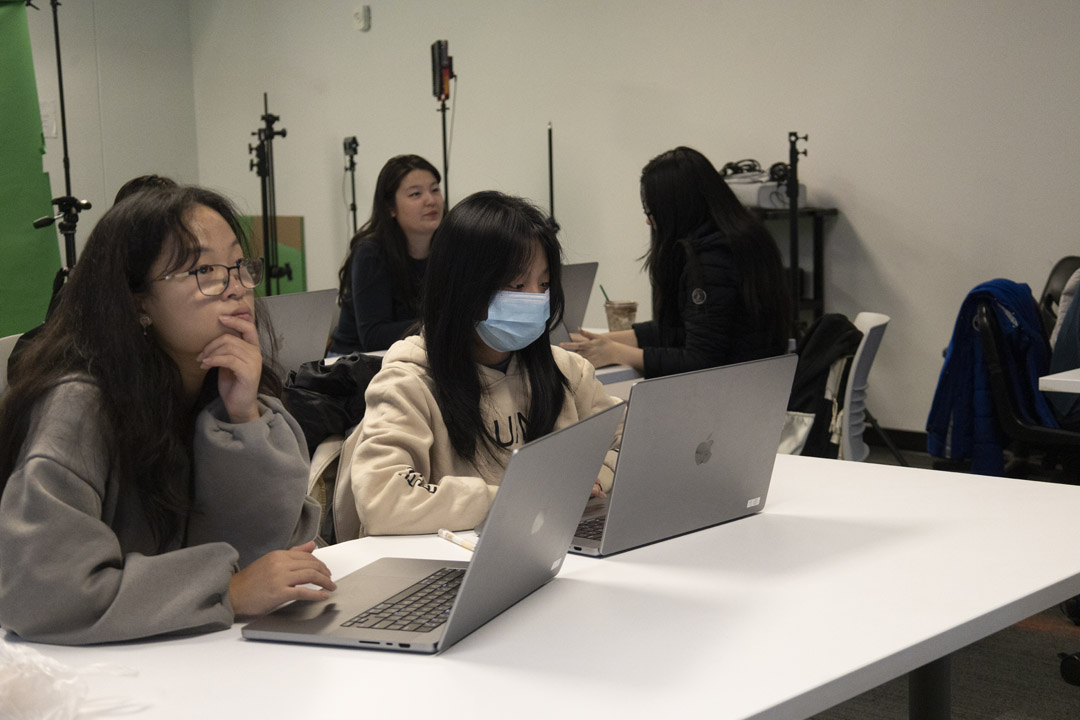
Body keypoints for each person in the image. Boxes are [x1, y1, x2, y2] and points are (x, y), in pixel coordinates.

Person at [0, 184, 334, 645]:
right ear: (138, 302)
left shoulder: (222, 390)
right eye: (205, 271)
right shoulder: (78, 405)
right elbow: (43, 594)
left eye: (238, 265)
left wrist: (243, 419)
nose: (236, 286)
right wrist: (228, 590)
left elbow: (268, 558)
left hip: (193, 656)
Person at [335, 191, 622, 539]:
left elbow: (630, 444)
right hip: (447, 568)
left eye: (543, 284)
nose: (534, 299)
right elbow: (383, 500)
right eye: (517, 285)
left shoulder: (567, 371)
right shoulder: (408, 382)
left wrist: (592, 478)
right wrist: (517, 497)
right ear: (464, 287)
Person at [562, 146, 791, 378]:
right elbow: (683, 329)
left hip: (731, 393)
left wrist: (616, 353)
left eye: (651, 212)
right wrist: (602, 341)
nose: (649, 222)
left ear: (675, 210)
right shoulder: (744, 236)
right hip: (759, 385)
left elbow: (700, 361)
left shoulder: (711, 261)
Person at [328, 154, 445, 354]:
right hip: (351, 365)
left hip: (412, 356)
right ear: (390, 207)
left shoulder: (447, 247)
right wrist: (445, 325)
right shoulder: (371, 252)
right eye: (416, 194)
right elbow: (374, 337)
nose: (430, 200)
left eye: (435, 190)